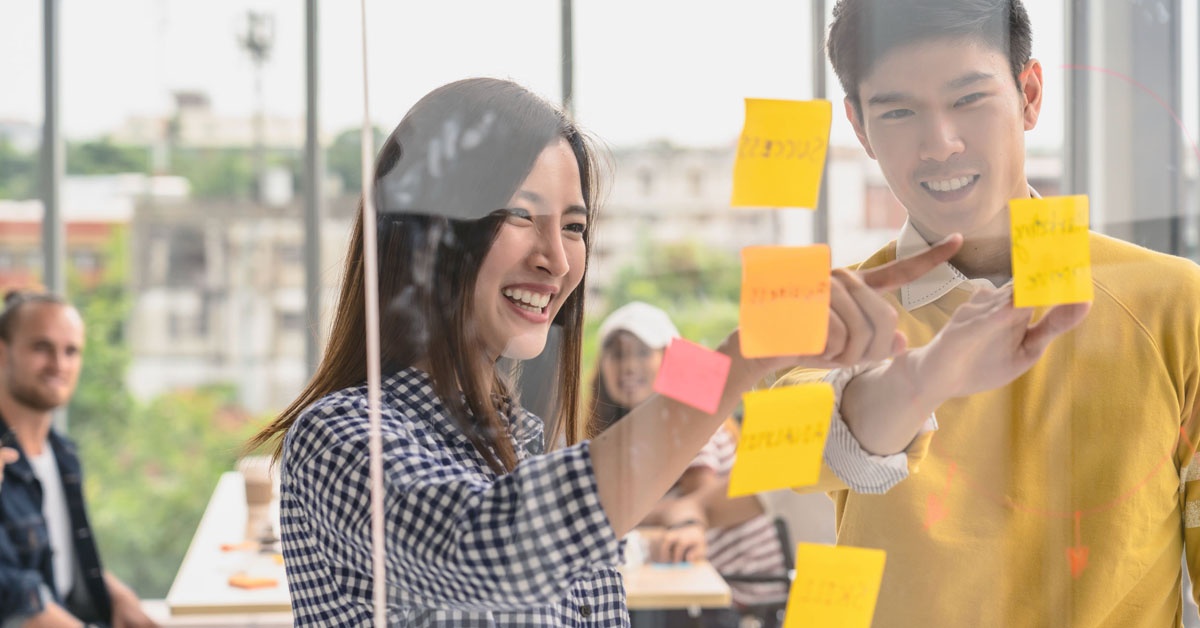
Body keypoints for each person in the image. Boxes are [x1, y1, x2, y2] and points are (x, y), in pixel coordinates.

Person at [244, 77, 985, 626]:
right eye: (519, 217)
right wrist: (738, 360)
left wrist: (928, 374)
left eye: (572, 226)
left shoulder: (526, 438)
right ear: (429, 230)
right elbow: (492, 549)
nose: (558, 261)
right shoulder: (342, 437)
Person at [778, 0, 1200, 626]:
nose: (940, 144)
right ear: (861, 130)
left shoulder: (1173, 299)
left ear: (1029, 95)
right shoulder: (824, 309)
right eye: (897, 112)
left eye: (969, 99)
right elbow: (790, 450)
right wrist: (924, 375)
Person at [587, 301, 792, 628]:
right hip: (706, 588)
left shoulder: (688, 421)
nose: (627, 366)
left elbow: (696, 510)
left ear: (671, 361)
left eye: (642, 353)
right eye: (616, 354)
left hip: (739, 593)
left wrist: (605, 513)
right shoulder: (638, 432)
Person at [0, 291, 157, 628]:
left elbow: (60, 558)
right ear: (3, 352)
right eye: (41, 348)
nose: (59, 365)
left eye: (71, 351)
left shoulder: (63, 454)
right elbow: (11, 593)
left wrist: (116, 594)